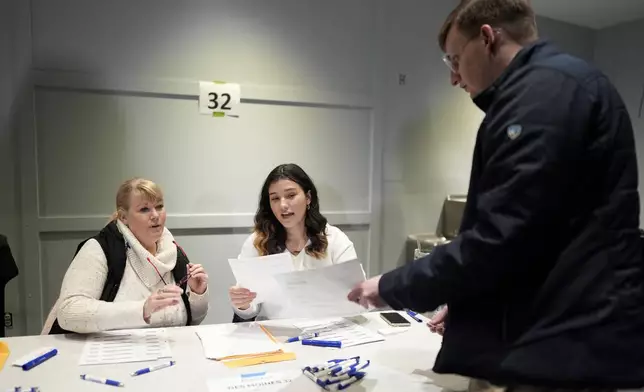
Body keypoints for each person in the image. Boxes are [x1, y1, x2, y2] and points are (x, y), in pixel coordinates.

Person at [349, 0, 644, 390]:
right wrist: (475, 303)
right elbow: (541, 237)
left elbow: (502, 236)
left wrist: (390, 286)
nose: (454, 77)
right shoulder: (553, 87)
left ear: (487, 38)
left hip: (561, 346)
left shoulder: (542, 95)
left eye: (455, 59)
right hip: (556, 332)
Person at [43, 178, 209, 334]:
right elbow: (69, 312)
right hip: (108, 358)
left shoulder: (173, 252)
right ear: (123, 217)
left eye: (159, 206)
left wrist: (197, 294)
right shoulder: (99, 249)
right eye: (144, 209)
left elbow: (190, 322)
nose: (155, 215)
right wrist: (141, 310)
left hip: (167, 355)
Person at [229, 163, 358, 321]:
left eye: (291, 195)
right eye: (275, 198)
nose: (283, 205)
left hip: (326, 332)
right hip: (273, 335)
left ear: (308, 197)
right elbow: (248, 312)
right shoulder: (257, 242)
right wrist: (243, 303)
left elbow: (358, 295)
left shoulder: (334, 239)